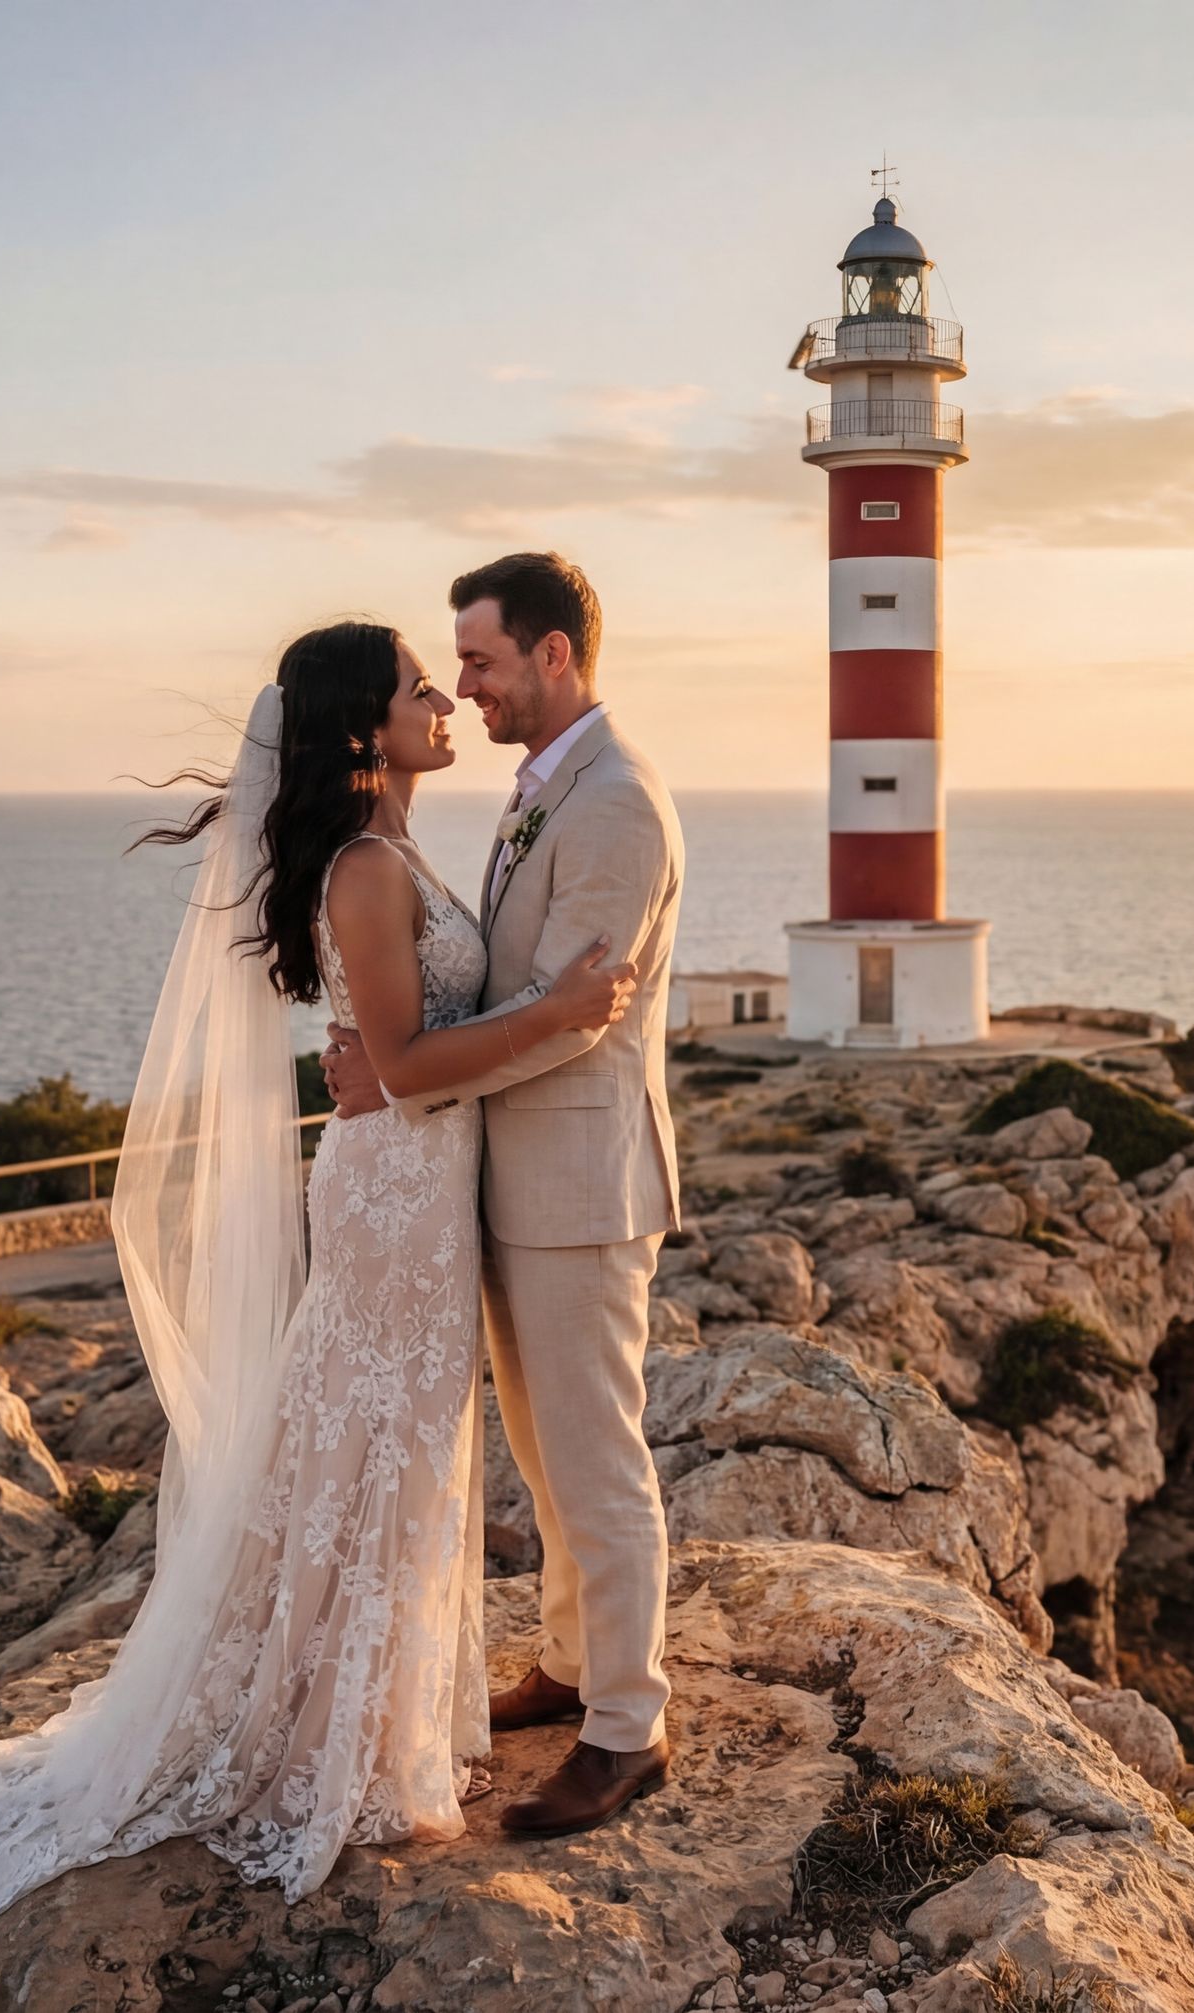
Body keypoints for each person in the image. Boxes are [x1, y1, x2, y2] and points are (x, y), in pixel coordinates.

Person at [0, 619, 637, 1968]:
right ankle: (329, 1739)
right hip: (390, 1203)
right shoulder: (369, 869)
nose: (443, 700)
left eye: (448, 681)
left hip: (418, 1195)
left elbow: (399, 1054)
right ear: (364, 729)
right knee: (374, 1448)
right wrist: (561, 1019)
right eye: (415, 689)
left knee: (395, 1449)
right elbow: (406, 1057)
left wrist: (438, 1053)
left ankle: (365, 1719)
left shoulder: (396, 850)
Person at [319, 550, 687, 1838]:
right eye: (452, 667)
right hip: (500, 1176)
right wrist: (388, 1048)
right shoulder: (546, 789)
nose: (463, 685)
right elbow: (503, 985)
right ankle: (577, 1662)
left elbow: (582, 1013)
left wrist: (407, 1073)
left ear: (553, 656)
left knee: (595, 1456)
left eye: (477, 661)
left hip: (579, 1182)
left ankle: (627, 1727)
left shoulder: (617, 802)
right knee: (543, 1449)